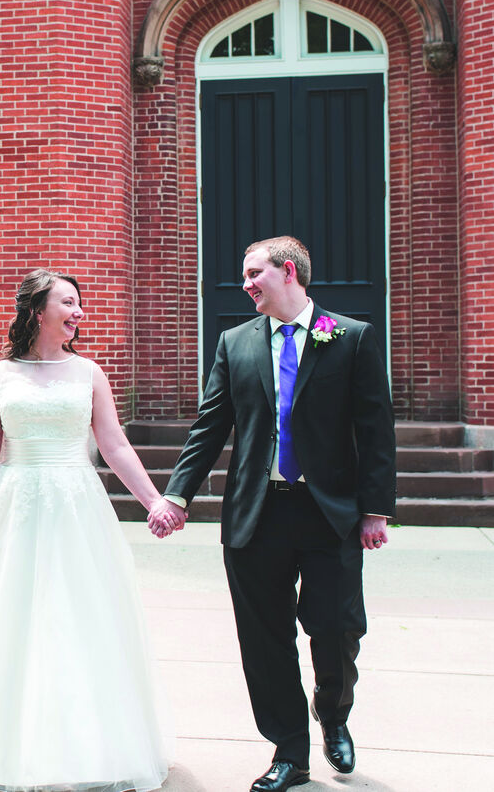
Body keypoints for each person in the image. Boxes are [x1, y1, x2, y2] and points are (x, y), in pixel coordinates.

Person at [0, 269, 176, 792]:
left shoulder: (89, 374)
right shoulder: (1, 374)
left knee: (78, 617)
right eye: (68, 302)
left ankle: (84, 748)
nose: (79, 312)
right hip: (13, 505)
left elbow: (114, 444)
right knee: (7, 618)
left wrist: (154, 500)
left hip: (76, 507)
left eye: (79, 303)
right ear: (38, 311)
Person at [148, 236, 395, 792]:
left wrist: (376, 509)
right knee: (265, 640)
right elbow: (210, 426)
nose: (245, 284)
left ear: (288, 272)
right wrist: (177, 495)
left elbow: (376, 431)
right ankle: (289, 751)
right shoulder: (234, 343)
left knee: (337, 629)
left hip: (329, 513)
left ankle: (332, 712)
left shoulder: (351, 337)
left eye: (253, 273)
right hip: (256, 515)